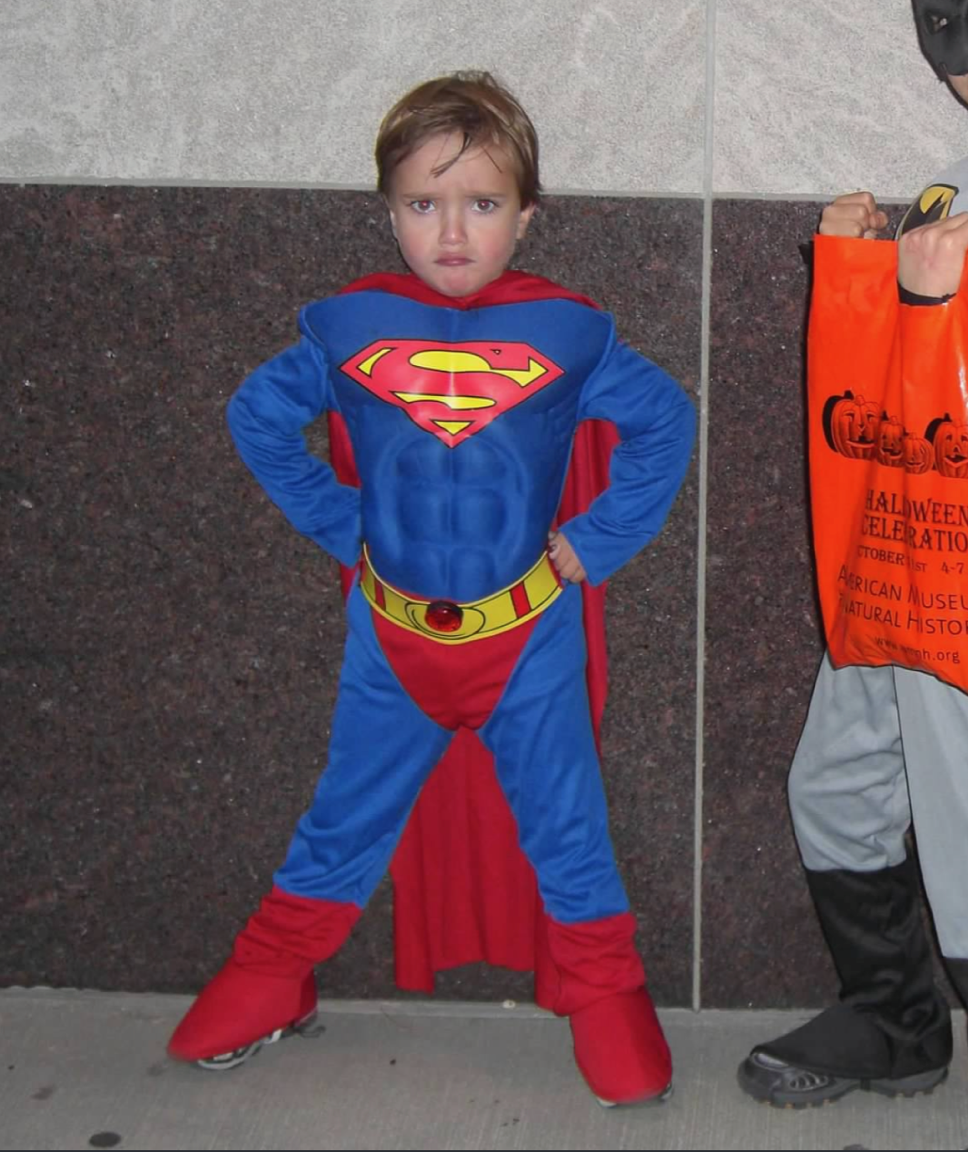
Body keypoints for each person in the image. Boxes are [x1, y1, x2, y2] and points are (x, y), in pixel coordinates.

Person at [166, 70, 695, 1107]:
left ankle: (600, 991)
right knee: (343, 817)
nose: (451, 232)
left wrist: (596, 542)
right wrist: (339, 522)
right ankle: (274, 974)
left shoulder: (566, 333)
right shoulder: (350, 325)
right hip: (392, 640)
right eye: (423, 202)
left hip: (525, 638)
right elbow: (256, 418)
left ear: (526, 217)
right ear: (388, 211)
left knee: (565, 825)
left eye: (482, 203)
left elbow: (663, 421)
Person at [738, 2, 968, 1109]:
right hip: (907, 564)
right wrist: (871, 275)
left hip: (955, 602)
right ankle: (893, 1020)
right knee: (834, 782)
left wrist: (922, 307)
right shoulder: (954, 186)